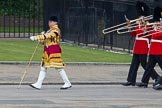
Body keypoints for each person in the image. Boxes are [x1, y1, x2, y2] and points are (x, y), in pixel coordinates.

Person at [121, 1, 159, 86]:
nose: (140, 18)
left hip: (143, 46)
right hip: (137, 46)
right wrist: (129, 26)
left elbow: (148, 35)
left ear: (145, 17)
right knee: (134, 63)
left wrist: (145, 26)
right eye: (139, 16)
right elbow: (134, 34)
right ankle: (131, 80)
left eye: (141, 16)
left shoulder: (148, 24)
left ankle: (156, 77)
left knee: (144, 64)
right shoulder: (138, 25)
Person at [29, 16, 72, 90]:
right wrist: (41, 40)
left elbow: (48, 36)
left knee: (58, 67)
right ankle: (38, 84)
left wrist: (37, 37)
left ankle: (67, 83)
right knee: (43, 67)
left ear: (55, 22)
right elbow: (46, 40)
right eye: (49, 21)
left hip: (54, 51)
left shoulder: (56, 30)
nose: (49, 23)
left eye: (51, 21)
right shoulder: (49, 30)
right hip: (47, 51)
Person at [136, 7, 162, 88]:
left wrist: (157, 28)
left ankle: (160, 82)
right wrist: (145, 29)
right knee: (149, 67)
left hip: (159, 50)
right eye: (156, 21)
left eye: (157, 21)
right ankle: (144, 82)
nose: (156, 23)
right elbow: (150, 36)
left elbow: (157, 36)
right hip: (152, 50)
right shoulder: (156, 28)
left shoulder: (160, 29)